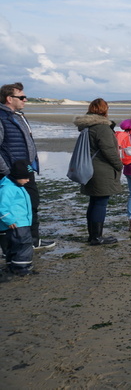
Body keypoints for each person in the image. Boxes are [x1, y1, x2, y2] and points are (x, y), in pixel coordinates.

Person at [0, 82, 55, 251]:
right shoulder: (2, 117)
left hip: (25, 169)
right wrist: (7, 171)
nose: (25, 99)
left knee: (31, 203)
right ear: (9, 99)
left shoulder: (17, 116)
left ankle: (32, 240)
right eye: (22, 97)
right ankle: (12, 246)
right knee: (10, 207)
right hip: (12, 172)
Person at [73, 98, 123, 245]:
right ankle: (96, 237)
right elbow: (108, 150)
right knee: (100, 202)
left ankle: (93, 235)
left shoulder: (88, 127)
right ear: (104, 110)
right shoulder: (101, 127)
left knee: (94, 202)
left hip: (90, 168)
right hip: (101, 170)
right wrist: (119, 165)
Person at [0, 160, 35, 276]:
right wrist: (8, 220)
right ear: (17, 176)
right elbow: (2, 207)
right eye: (25, 178)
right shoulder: (8, 188)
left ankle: (12, 265)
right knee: (24, 245)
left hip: (20, 222)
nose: (28, 180)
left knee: (14, 245)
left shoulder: (16, 185)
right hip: (17, 223)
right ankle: (21, 267)